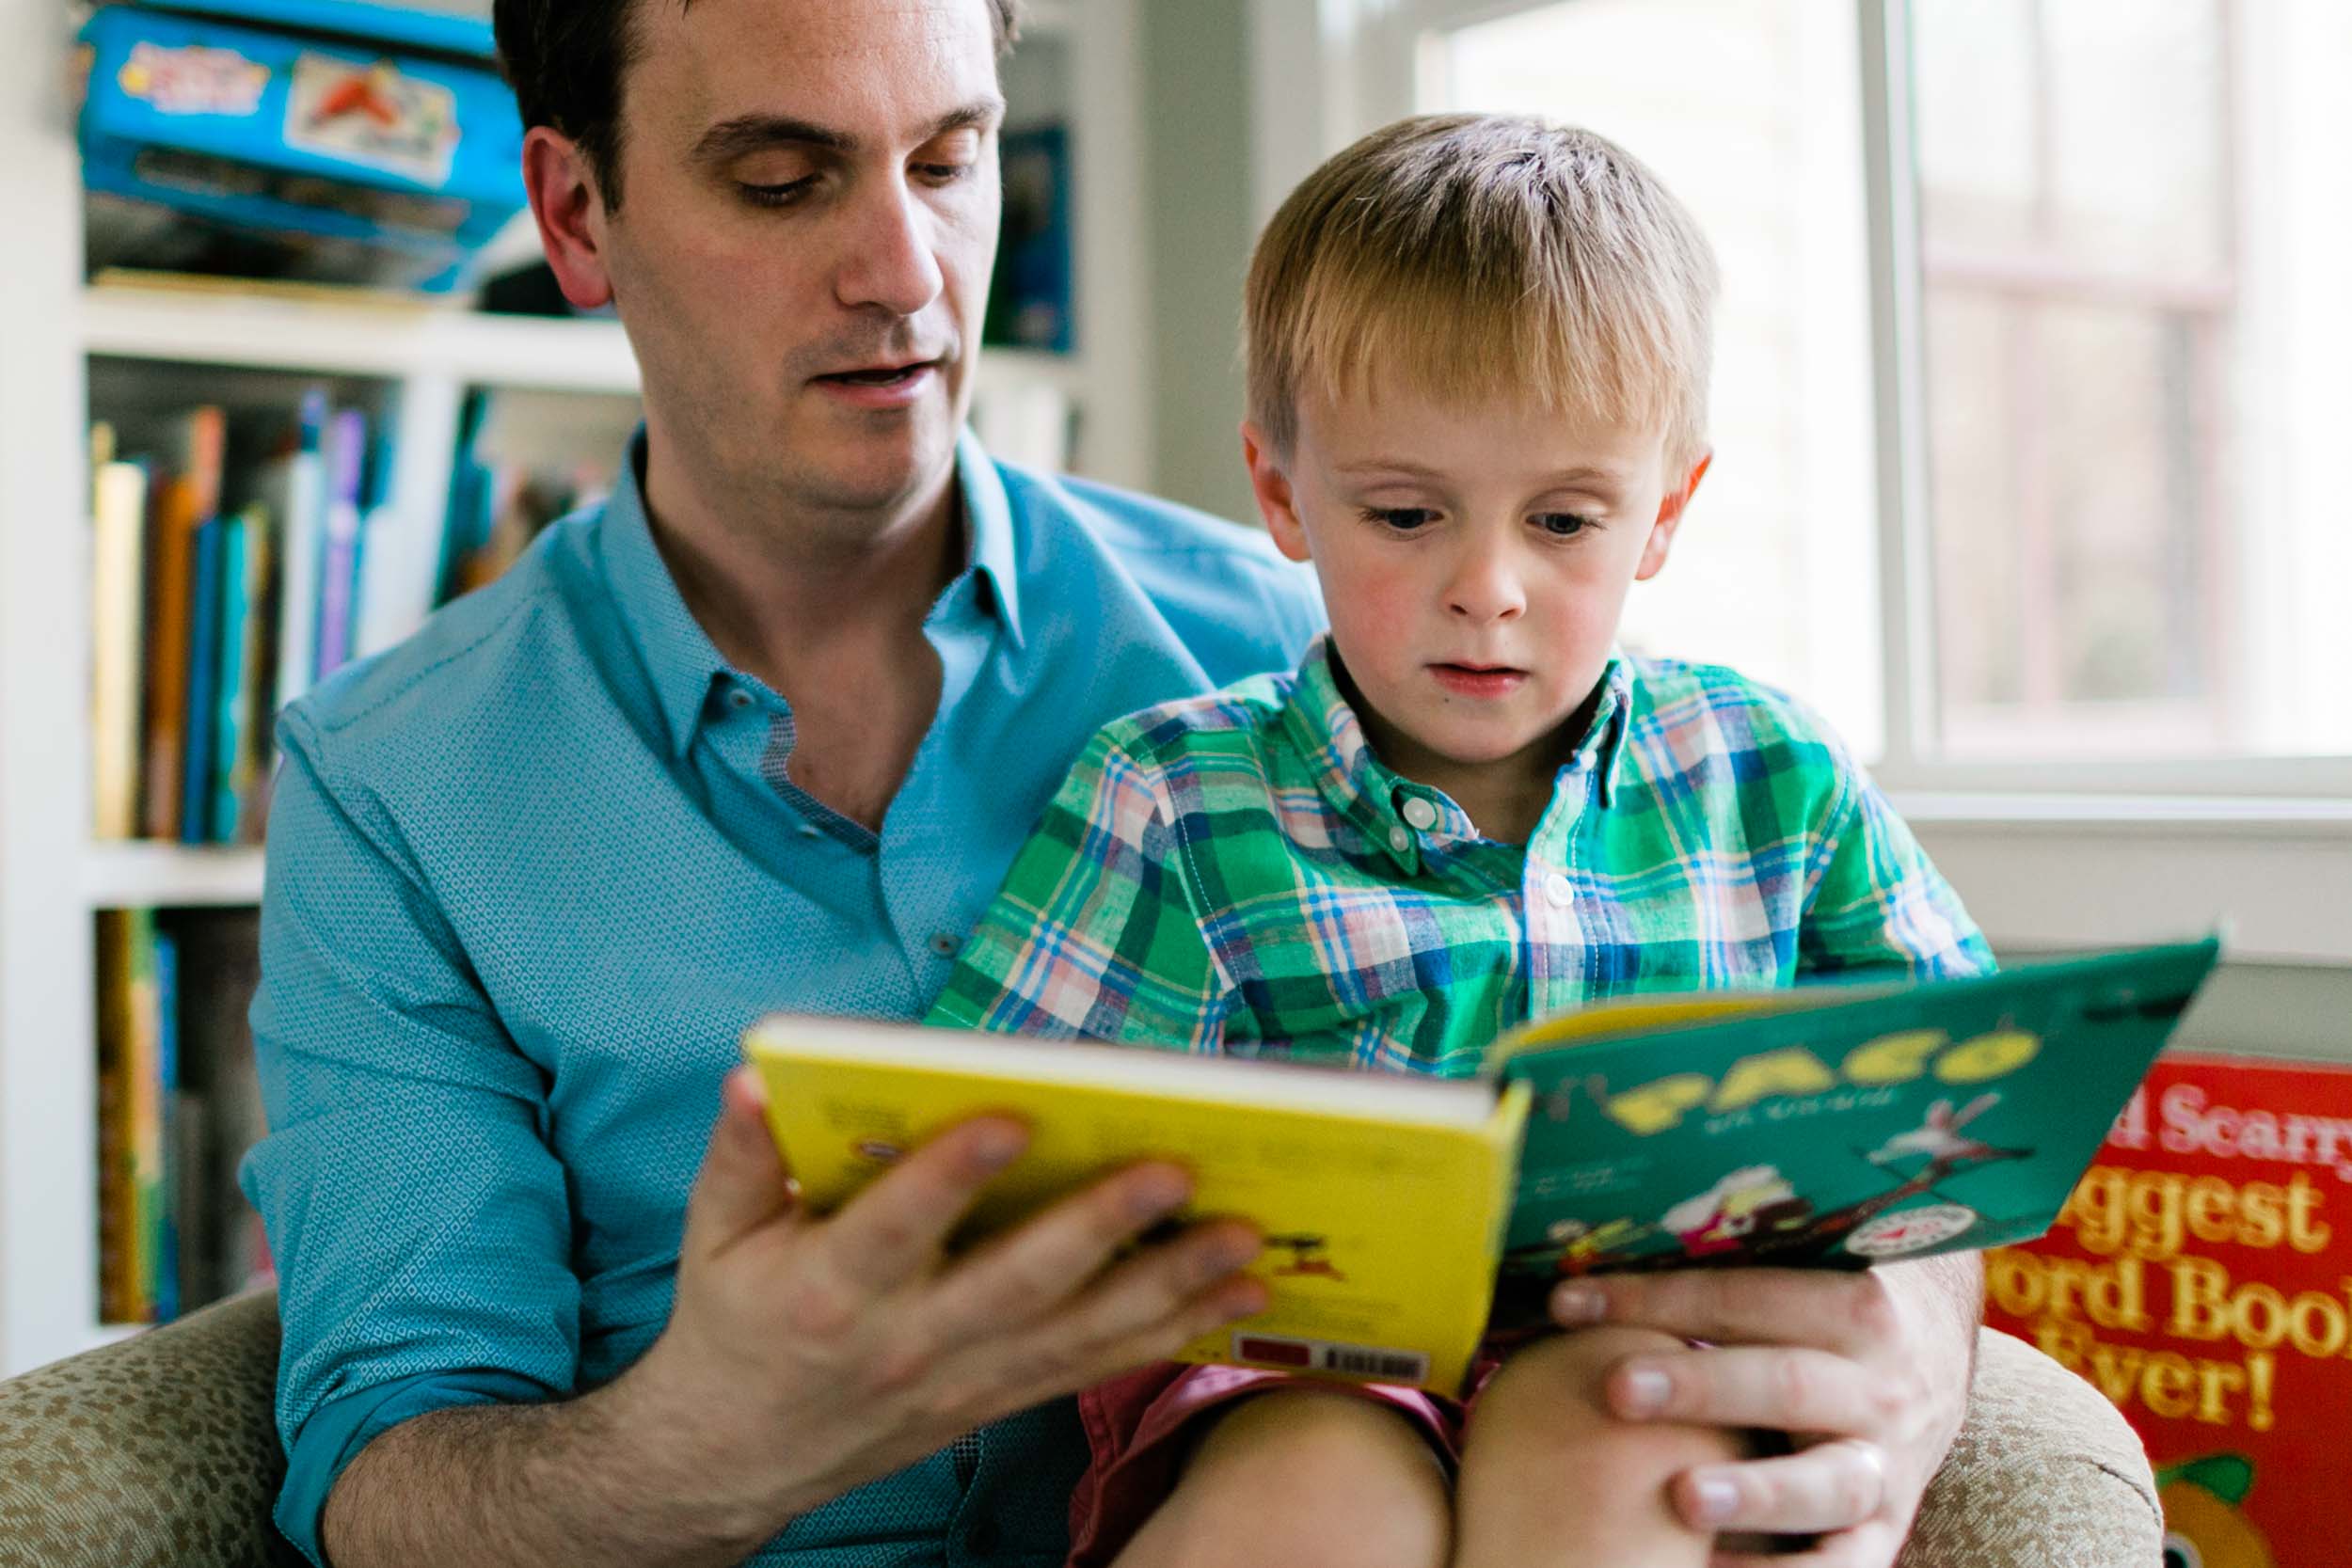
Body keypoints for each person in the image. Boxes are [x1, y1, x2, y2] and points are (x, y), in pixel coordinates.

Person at [242, 3, 1986, 1565]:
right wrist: (711, 1443)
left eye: (950, 158)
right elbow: (385, 1468)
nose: (905, 270)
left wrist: (1913, 1343)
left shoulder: (1330, 648)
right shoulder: (390, 787)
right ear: (574, 216)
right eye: (783, 180)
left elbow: (1911, 1092)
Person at [925, 114, 1994, 1568]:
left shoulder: (1770, 775)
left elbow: (1965, 1082)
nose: (1485, 588)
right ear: (1286, 495)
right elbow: (972, 1140)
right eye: (1409, 514)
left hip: (1640, 1340)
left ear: (1664, 516)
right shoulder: (1178, 793)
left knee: (1624, 1429)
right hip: (1294, 1367)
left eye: (1563, 520)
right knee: (1312, 1483)